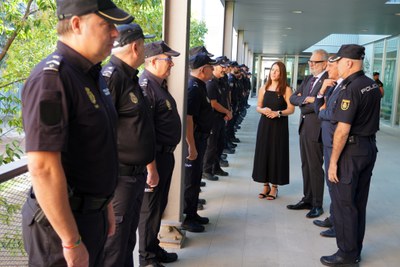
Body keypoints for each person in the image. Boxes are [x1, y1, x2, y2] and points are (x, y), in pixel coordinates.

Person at [20, 0, 133, 266]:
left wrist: (103, 203)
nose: (116, 33)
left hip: (88, 216)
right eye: (107, 25)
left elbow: (93, 149)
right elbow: (43, 167)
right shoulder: (53, 80)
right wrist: (71, 240)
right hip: (61, 227)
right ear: (76, 24)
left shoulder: (89, 76)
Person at [320, 44, 381, 266]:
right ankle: (355, 250)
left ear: (348, 62)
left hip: (350, 153)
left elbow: (343, 129)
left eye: (338, 63)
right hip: (367, 148)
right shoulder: (371, 85)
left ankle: (346, 254)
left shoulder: (351, 88)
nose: (337, 67)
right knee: (358, 203)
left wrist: (333, 162)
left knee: (345, 204)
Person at [102, 23, 156, 267]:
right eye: (144, 46)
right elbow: (101, 133)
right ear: (136, 46)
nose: (145, 52)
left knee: (127, 244)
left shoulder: (130, 77)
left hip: (135, 177)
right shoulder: (112, 77)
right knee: (114, 247)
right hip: (120, 180)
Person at [137, 40, 181, 267]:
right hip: (154, 158)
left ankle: (154, 248)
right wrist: (150, 168)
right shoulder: (145, 87)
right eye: (168, 59)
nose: (172, 64)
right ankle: (147, 258)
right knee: (149, 209)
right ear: (153, 61)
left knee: (158, 206)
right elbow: (146, 133)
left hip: (165, 156)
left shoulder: (159, 85)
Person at [287, 49, 329, 218]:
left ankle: (317, 205)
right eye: (311, 61)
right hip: (304, 127)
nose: (311, 64)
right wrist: (307, 100)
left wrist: (305, 101)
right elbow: (292, 98)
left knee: (315, 167)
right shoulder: (308, 79)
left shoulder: (329, 81)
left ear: (325, 63)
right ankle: (308, 199)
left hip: (317, 130)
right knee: (306, 165)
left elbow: (321, 105)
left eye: (315, 62)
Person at [183, 53, 216, 233]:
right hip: (195, 139)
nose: (213, 69)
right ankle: (187, 216)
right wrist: (191, 145)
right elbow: (188, 118)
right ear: (203, 70)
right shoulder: (193, 87)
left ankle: (193, 212)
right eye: (211, 67)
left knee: (196, 178)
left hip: (201, 138)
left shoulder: (200, 85)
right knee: (190, 179)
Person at [252, 61, 294, 200]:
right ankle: (265, 185)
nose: (274, 73)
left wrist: (278, 113)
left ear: (282, 74)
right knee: (264, 152)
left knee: (276, 153)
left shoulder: (286, 89)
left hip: (279, 126)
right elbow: (258, 106)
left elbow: (291, 109)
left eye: (277, 71)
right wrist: (263, 110)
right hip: (264, 125)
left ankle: (274, 187)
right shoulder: (263, 87)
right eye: (272, 70)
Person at [313, 57, 344, 238]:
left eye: (331, 65)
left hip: (335, 141)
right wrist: (322, 90)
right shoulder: (333, 86)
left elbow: (332, 114)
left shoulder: (344, 88)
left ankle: (338, 224)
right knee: (331, 184)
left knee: (337, 185)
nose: (328, 69)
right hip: (328, 139)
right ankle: (333, 217)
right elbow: (319, 109)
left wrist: (323, 112)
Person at [202, 56, 232, 181]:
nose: (224, 69)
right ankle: (207, 170)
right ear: (214, 67)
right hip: (213, 119)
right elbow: (213, 104)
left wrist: (229, 111)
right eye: (222, 67)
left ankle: (216, 167)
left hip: (221, 118)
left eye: (225, 67)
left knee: (220, 144)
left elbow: (226, 98)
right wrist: (226, 111)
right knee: (211, 146)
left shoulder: (221, 81)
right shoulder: (211, 83)